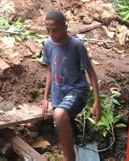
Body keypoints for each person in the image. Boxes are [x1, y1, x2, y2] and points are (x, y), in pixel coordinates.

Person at [41, 10, 102, 161]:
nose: (51, 33)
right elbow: (50, 70)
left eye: (55, 29)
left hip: (77, 90)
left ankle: (70, 158)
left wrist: (97, 102)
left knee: (59, 115)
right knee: (62, 122)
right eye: (48, 30)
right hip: (58, 93)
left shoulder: (76, 46)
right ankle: (70, 150)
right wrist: (45, 97)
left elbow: (91, 73)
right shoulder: (48, 45)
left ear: (65, 26)